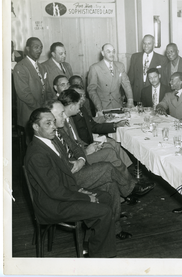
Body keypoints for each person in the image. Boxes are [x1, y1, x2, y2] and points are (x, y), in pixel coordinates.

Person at [46, 99, 153, 239]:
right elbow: (59, 164)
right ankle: (131, 188)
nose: (64, 116)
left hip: (78, 167)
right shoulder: (48, 137)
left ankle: (114, 228)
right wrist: (76, 161)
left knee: (111, 184)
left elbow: (76, 148)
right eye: (60, 114)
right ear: (49, 118)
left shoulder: (60, 130)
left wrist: (80, 159)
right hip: (68, 179)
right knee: (107, 168)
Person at [25, 108, 117, 256]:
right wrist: (86, 197)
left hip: (62, 194)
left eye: (53, 122)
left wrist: (78, 190)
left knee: (105, 197)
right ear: (36, 127)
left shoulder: (50, 141)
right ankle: (101, 257)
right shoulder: (37, 154)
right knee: (104, 212)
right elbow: (55, 191)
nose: (54, 127)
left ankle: (96, 244)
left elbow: (62, 177)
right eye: (48, 123)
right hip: (53, 205)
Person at [69, 84, 133, 169]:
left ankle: (127, 168)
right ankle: (122, 172)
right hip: (84, 148)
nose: (83, 99)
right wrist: (87, 149)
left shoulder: (82, 109)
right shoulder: (71, 115)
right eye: (79, 96)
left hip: (89, 142)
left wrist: (115, 125)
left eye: (84, 95)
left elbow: (93, 125)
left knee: (114, 144)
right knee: (111, 146)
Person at [13, 37, 50, 130]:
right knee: (32, 142)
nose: (39, 50)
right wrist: (40, 110)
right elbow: (24, 94)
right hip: (29, 113)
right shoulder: (20, 67)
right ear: (28, 48)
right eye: (36, 47)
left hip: (42, 111)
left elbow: (46, 89)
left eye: (41, 47)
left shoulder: (41, 67)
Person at [87, 43, 134, 114]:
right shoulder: (95, 68)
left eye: (113, 51)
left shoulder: (120, 66)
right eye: (108, 52)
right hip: (103, 107)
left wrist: (130, 100)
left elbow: (126, 84)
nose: (112, 54)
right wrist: (98, 107)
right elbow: (92, 90)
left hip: (117, 104)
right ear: (102, 53)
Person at [127, 35, 168, 103]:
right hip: (137, 94)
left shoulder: (162, 59)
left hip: (152, 95)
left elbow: (163, 80)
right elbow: (130, 78)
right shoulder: (135, 57)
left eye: (149, 43)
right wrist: (129, 97)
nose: (146, 46)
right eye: (144, 43)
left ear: (153, 45)